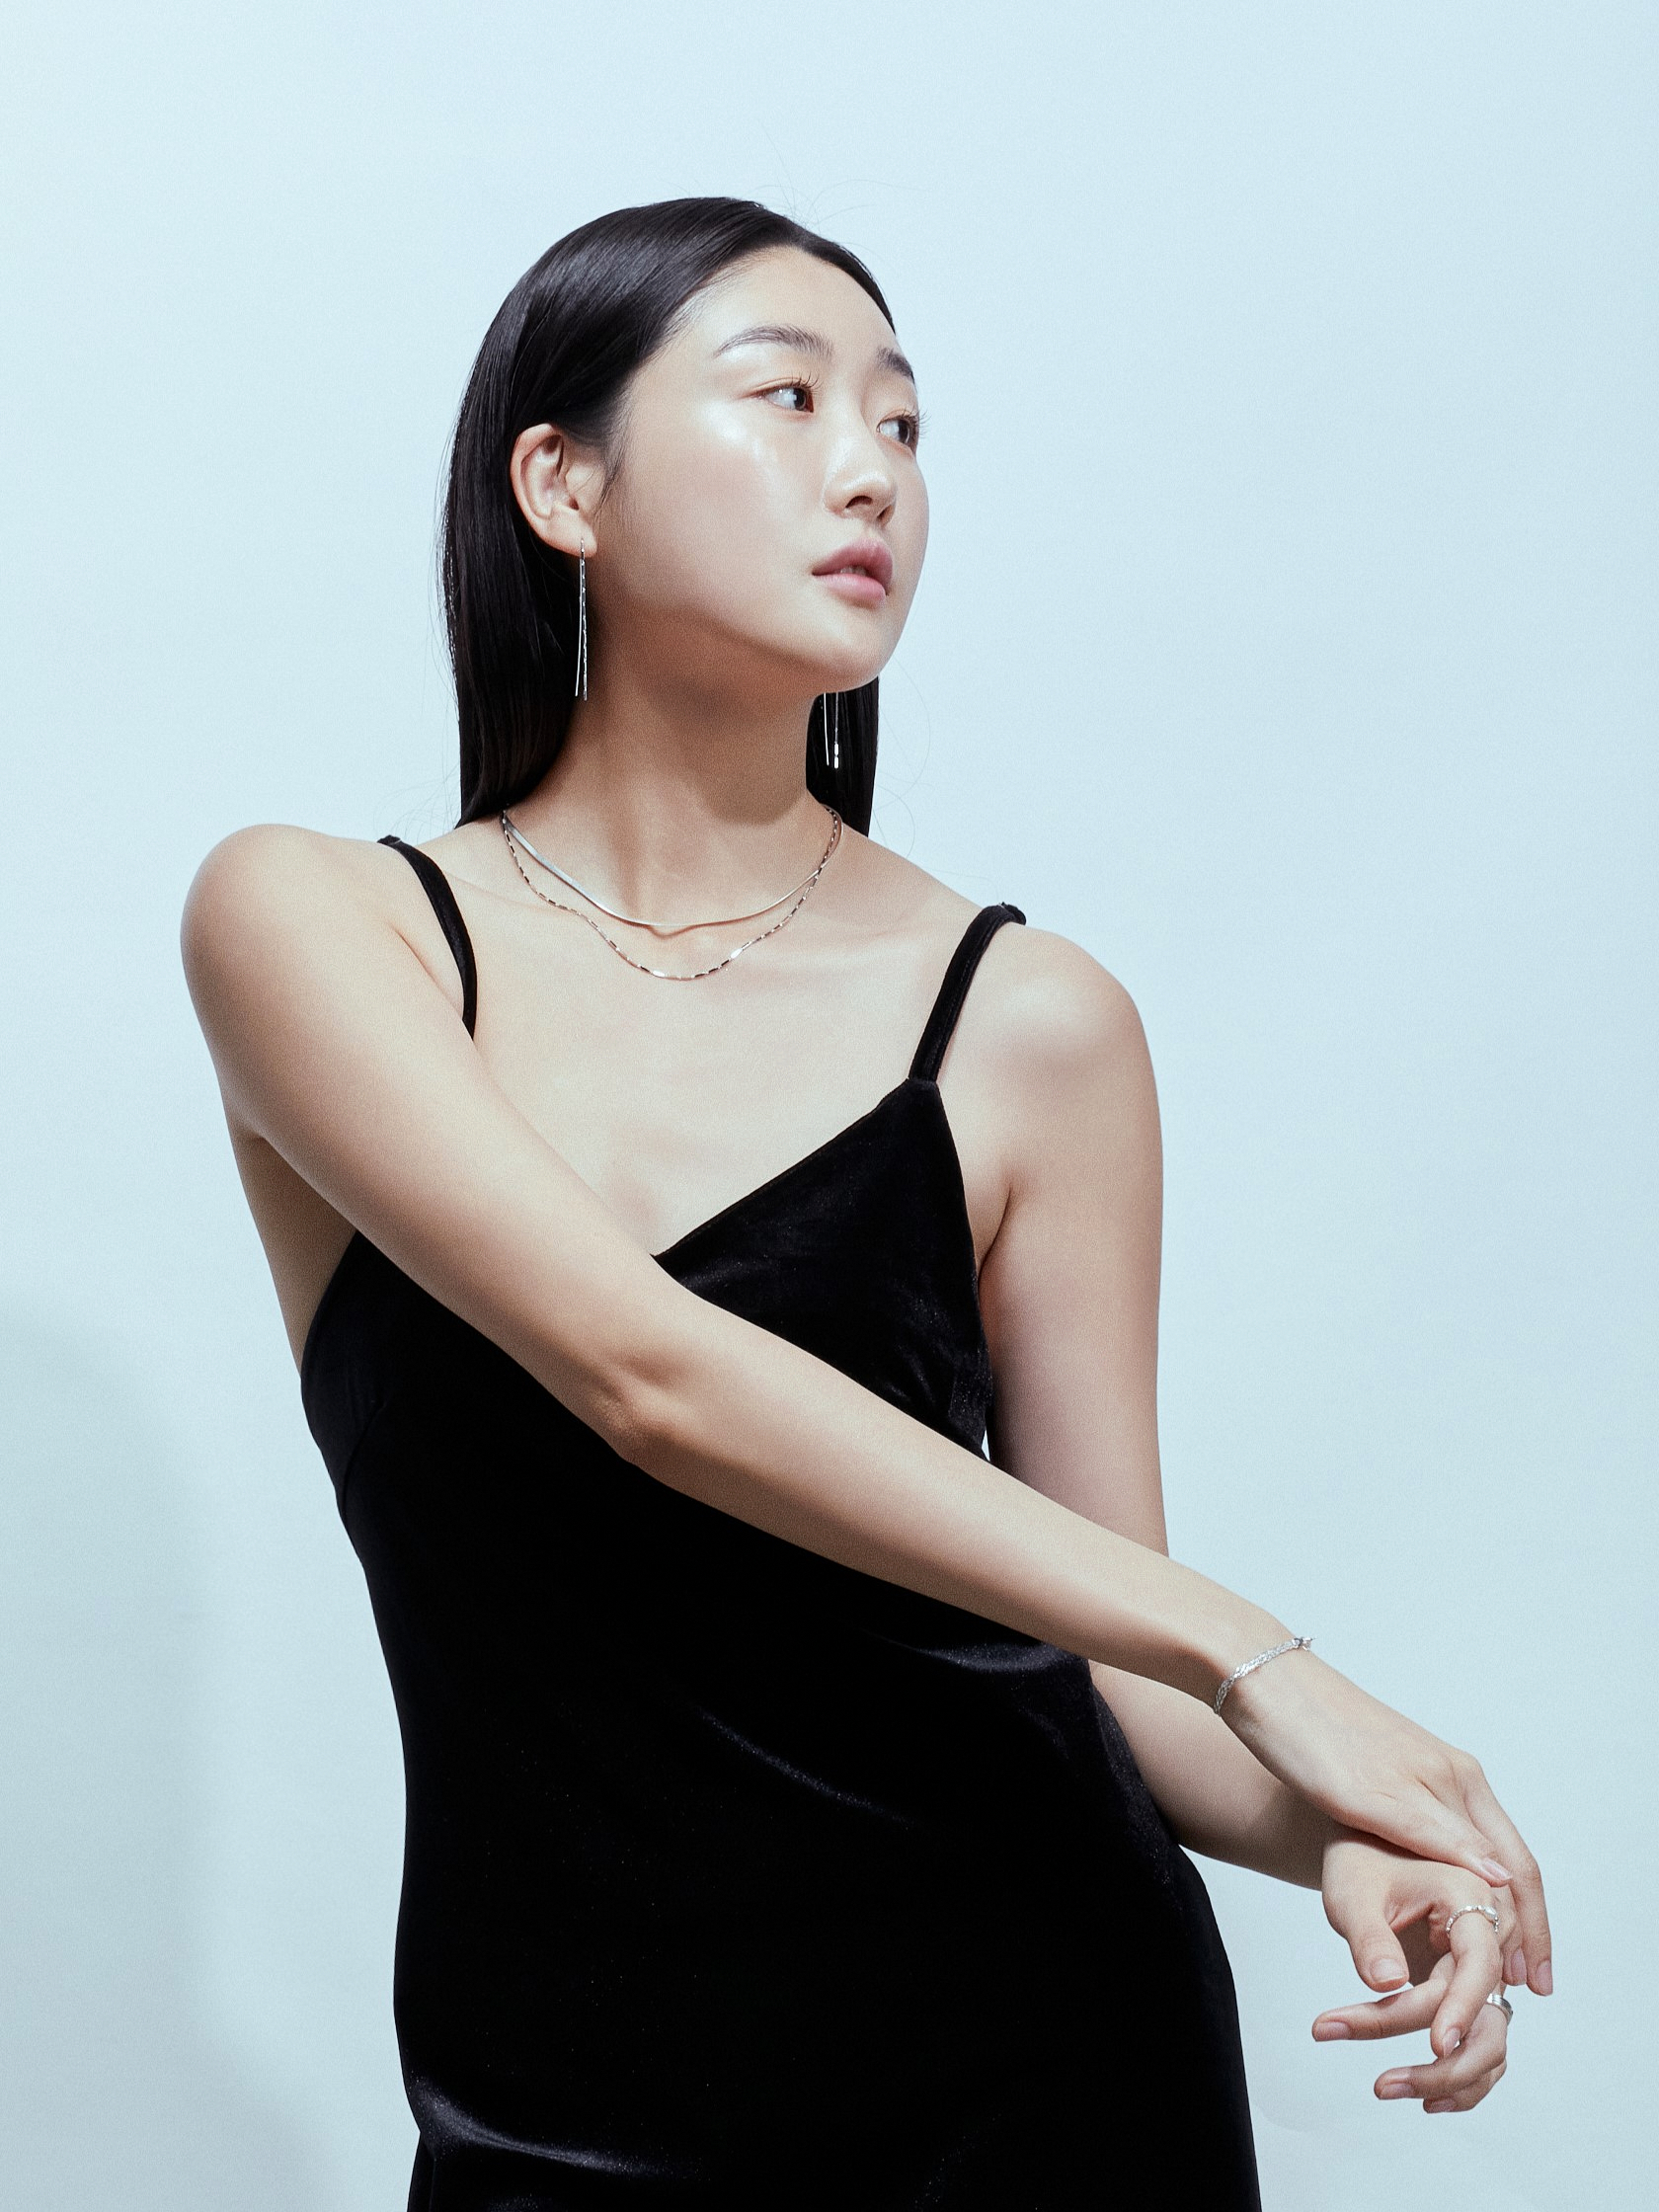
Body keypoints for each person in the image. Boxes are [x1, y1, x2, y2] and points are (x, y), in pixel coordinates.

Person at [182, 198, 1549, 2208]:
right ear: (562, 485)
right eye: (790, 398)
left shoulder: (1029, 1023)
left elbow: (1102, 1647)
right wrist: (1262, 1654)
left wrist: (1346, 1829)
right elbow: (645, 1375)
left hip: (1047, 2089)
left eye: (905, 424)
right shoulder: (318, 925)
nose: (871, 472)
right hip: (563, 2111)